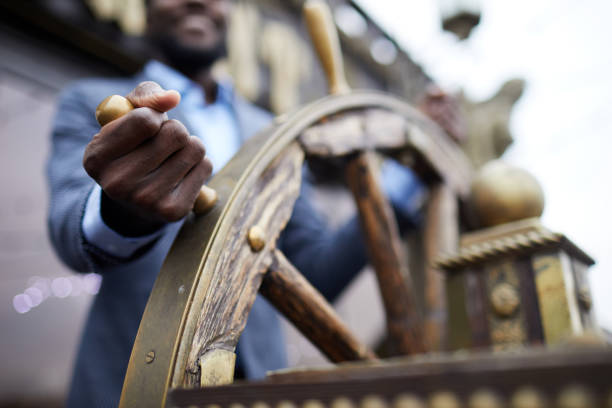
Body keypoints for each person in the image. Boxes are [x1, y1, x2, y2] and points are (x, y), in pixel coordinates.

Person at [46, 0, 423, 407]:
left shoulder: (272, 131)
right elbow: (71, 226)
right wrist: (123, 213)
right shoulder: (89, 101)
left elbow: (315, 273)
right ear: (146, 8)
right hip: (130, 388)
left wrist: (407, 182)